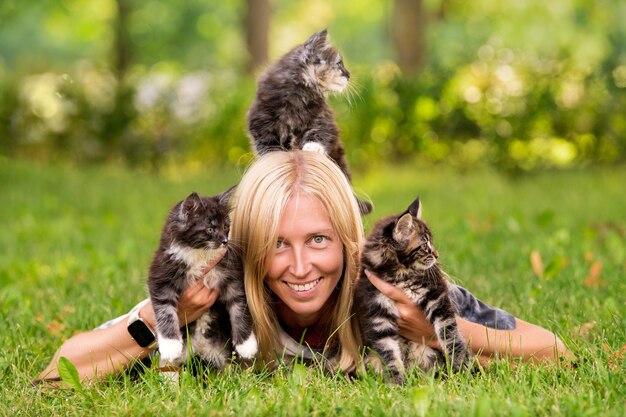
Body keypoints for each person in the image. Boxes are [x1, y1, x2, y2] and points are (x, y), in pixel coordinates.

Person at [36, 151, 573, 383]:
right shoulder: (219, 295)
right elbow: (59, 376)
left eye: (318, 239)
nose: (299, 267)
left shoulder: (392, 287)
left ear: (349, 240)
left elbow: (554, 352)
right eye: (276, 243)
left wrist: (430, 331)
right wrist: (157, 324)